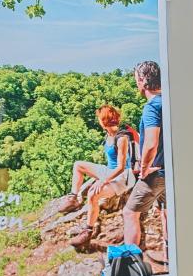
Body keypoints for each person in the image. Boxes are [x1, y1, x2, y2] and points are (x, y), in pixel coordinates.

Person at [58, 106, 138, 247]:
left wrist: (103, 181)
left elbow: (120, 167)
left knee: (92, 195)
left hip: (123, 177)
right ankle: (73, 199)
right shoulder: (108, 134)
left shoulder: (121, 138)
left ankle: (88, 231)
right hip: (108, 170)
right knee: (78, 165)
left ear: (103, 121)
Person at [123, 61, 165, 248]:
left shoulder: (152, 107)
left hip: (157, 173)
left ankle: (130, 259)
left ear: (142, 81)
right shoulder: (170, 103)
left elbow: (151, 143)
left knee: (130, 212)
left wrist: (144, 168)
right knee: (167, 211)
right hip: (172, 170)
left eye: (136, 80)